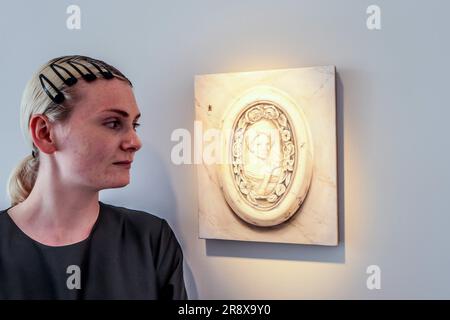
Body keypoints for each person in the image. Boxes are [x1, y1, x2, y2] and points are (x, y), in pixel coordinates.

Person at [0, 55, 188, 300]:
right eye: (113, 123)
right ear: (45, 133)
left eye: (135, 125)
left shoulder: (151, 241)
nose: (134, 142)